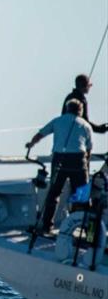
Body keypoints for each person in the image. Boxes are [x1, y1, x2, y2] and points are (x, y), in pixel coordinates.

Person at [26, 98, 93, 234]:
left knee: (54, 193)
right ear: (80, 111)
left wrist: (31, 144)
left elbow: (40, 134)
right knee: (83, 197)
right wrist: (85, 163)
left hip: (59, 159)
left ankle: (47, 226)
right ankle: (89, 232)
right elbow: (89, 148)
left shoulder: (58, 120)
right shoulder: (85, 125)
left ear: (67, 109)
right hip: (78, 160)